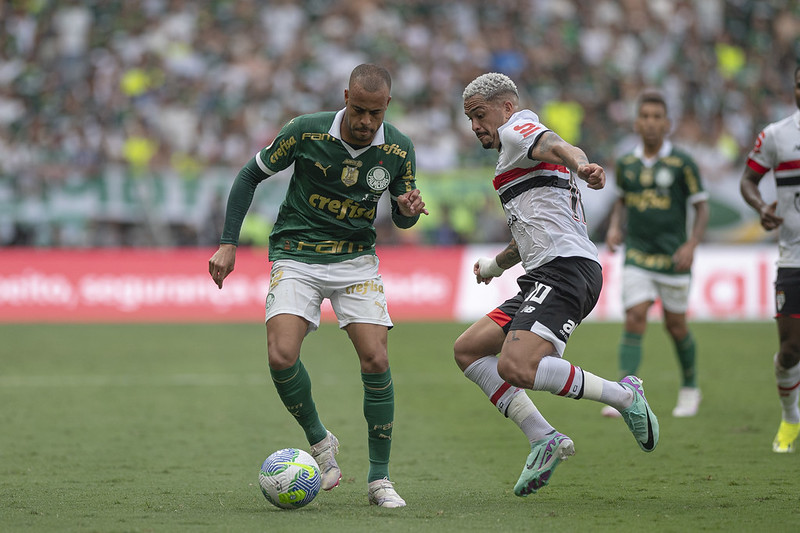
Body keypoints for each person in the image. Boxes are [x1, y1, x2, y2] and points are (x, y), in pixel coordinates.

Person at [208, 63, 427, 507]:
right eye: (359, 110)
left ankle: (379, 480)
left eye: (375, 114)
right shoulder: (305, 132)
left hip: (355, 261)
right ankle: (320, 441)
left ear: (387, 106)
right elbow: (249, 174)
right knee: (281, 354)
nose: (366, 122)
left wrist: (406, 208)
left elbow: (403, 219)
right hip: (297, 253)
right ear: (345, 96)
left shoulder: (399, 149)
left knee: (376, 359)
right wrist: (228, 243)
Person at [454, 72, 659, 497]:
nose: (475, 125)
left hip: (566, 270)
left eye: (479, 114)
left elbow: (555, 143)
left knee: (516, 367)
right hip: (542, 274)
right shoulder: (512, 158)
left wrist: (580, 164)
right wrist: (494, 265)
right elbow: (529, 231)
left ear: (506, 107)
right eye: (469, 118)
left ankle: (624, 396)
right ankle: (542, 437)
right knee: (468, 351)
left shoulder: (517, 127)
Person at [603, 90, 709, 419]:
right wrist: (614, 228)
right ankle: (624, 394)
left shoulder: (682, 163)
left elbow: (701, 207)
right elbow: (622, 200)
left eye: (656, 117)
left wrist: (691, 244)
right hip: (637, 253)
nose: (650, 122)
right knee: (635, 317)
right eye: (644, 116)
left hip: (673, 256)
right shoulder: (626, 163)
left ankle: (691, 387)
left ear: (667, 124)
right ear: (636, 123)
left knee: (675, 326)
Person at [740, 65, 800, 453]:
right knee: (791, 351)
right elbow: (748, 180)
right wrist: (762, 206)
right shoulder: (777, 135)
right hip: (793, 258)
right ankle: (791, 419)